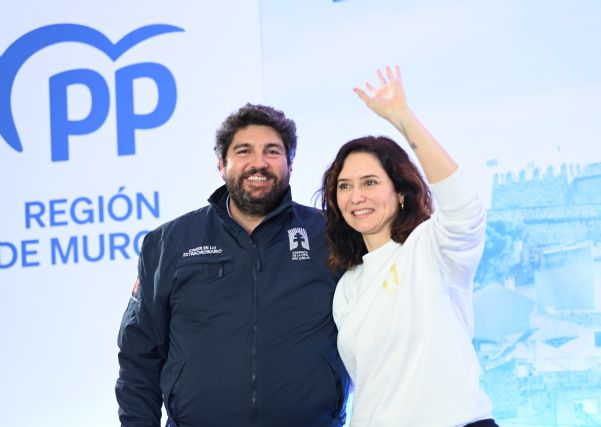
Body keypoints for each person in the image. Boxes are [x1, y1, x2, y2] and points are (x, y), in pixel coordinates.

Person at [116, 104, 349, 427]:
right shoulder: (170, 242)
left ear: (290, 164)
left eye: (272, 151)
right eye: (244, 151)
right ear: (221, 164)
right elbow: (138, 354)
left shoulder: (330, 235)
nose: (259, 163)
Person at [320, 67, 498, 427]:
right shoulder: (348, 286)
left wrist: (403, 118)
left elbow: (464, 207)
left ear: (400, 192)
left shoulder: (431, 248)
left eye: (370, 182)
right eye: (345, 186)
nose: (357, 197)